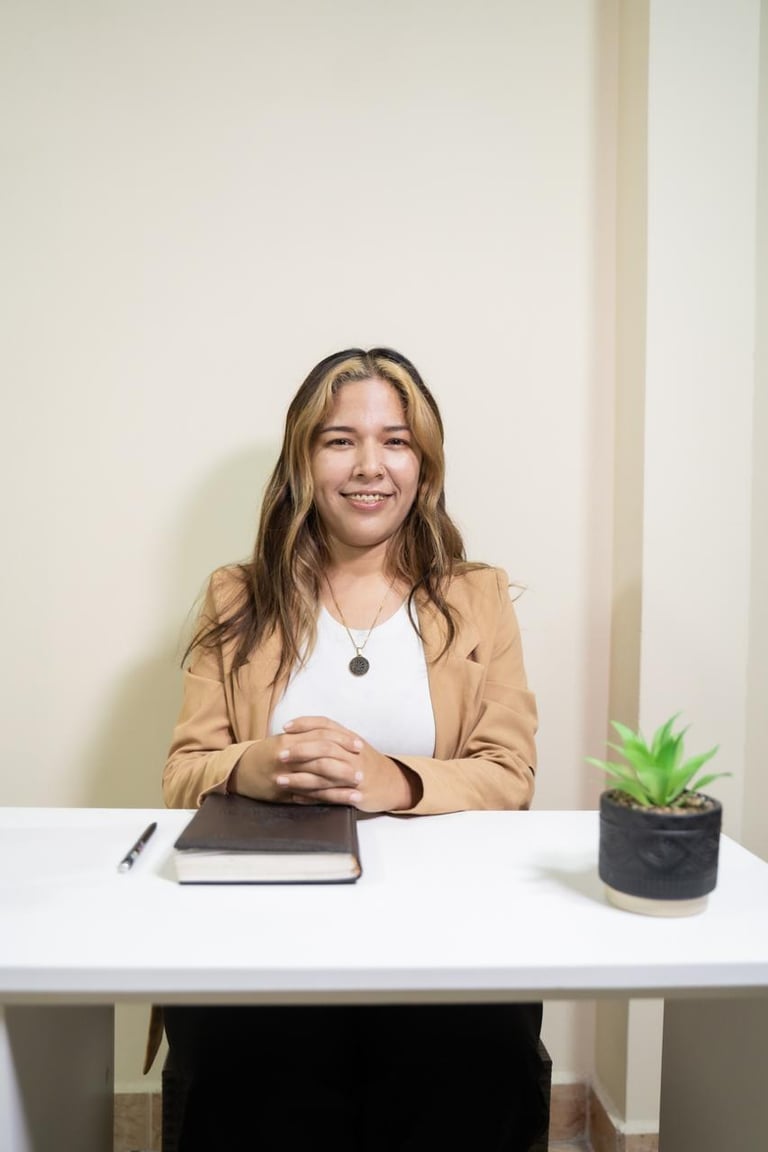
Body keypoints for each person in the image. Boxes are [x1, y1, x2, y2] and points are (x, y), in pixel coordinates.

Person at [161, 347, 547, 1151]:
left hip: (443, 931)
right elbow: (181, 774)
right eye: (340, 440)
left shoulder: (479, 597)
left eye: (396, 441)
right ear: (304, 459)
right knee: (250, 1081)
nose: (370, 466)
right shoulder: (236, 595)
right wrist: (251, 766)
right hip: (263, 932)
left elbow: (509, 775)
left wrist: (393, 781)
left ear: (424, 463)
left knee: (472, 1074)